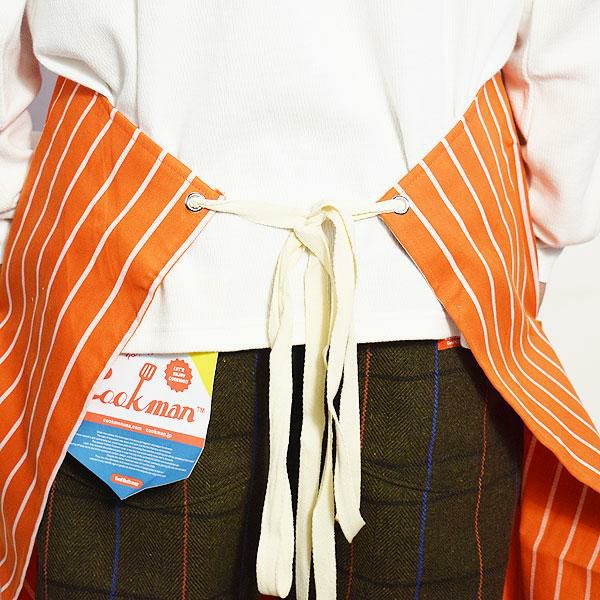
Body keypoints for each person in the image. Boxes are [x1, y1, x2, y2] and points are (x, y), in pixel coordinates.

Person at [1, 2, 599, 599]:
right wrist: (547, 235)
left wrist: (19, 222)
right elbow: (566, 54)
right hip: (424, 289)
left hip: (133, 286)